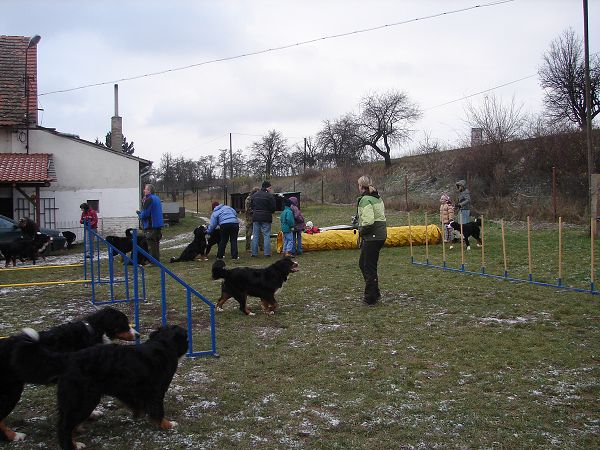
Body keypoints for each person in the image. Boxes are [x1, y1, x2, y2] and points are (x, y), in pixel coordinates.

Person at [356, 175, 387, 305]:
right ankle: (375, 292)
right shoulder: (376, 197)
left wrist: (361, 232)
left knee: (368, 267)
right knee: (364, 264)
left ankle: (370, 297)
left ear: (361, 187)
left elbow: (368, 222)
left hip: (372, 237)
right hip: (379, 235)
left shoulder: (365, 200)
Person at [136, 184, 164, 262]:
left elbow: (146, 214)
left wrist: (139, 214)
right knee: (156, 242)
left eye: (145, 189)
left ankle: (154, 262)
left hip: (151, 224)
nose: (144, 190)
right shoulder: (157, 198)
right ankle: (156, 260)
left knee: (151, 243)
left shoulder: (149, 199)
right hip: (158, 223)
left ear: (149, 191)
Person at [250, 180, 276, 257]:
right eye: (270, 188)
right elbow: (273, 208)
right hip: (266, 217)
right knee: (266, 235)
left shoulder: (254, 195)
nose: (271, 190)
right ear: (267, 187)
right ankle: (267, 253)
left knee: (255, 235)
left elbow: (252, 206)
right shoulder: (269, 196)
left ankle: (254, 253)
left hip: (256, 217)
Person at [244, 187, 263, 252]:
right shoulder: (249, 199)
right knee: (249, 233)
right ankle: (248, 247)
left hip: (256, 217)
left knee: (260, 232)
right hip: (250, 218)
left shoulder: (255, 198)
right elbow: (247, 209)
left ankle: (261, 247)